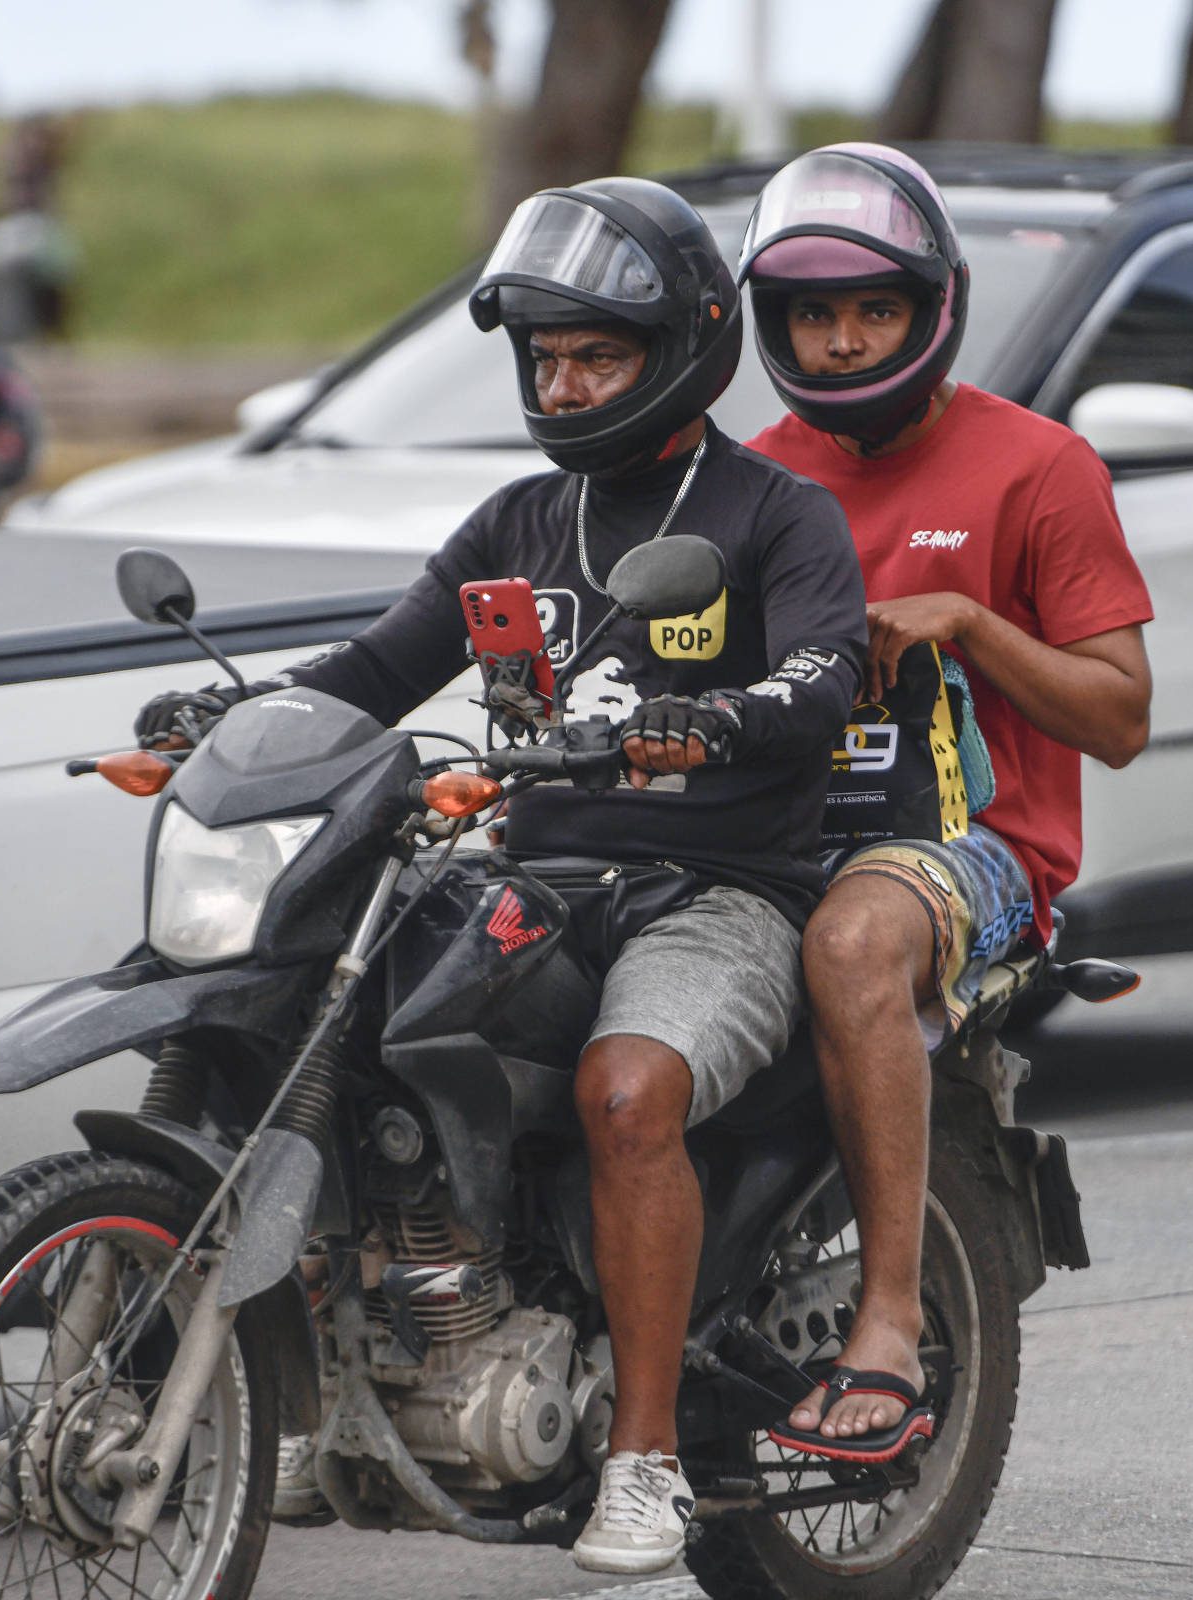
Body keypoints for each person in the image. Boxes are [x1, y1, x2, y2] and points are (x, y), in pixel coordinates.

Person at [138, 177, 867, 1575]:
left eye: (597, 353)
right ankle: (328, 1384)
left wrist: (714, 717)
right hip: (534, 875)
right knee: (323, 1028)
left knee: (627, 1093)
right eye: (546, 356)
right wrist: (229, 723)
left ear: (687, 348)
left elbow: (827, 676)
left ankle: (645, 1459)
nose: (566, 378)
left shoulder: (779, 513)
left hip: (716, 889)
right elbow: (376, 668)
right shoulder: (520, 520)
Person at [740, 144, 1154, 1460]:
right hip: (776, 839)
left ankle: (888, 1315)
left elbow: (1123, 716)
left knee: (855, 940)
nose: (847, 340)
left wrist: (970, 622)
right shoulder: (748, 478)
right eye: (816, 313)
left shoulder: (1038, 470)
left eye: (876, 310)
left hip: (973, 853)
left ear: (934, 311)